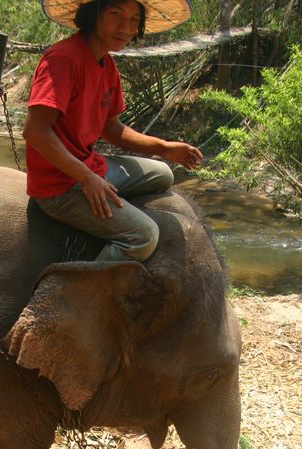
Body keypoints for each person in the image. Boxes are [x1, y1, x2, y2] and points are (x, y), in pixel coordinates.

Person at [22, 0, 203, 262]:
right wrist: (87, 178)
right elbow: (35, 131)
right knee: (144, 236)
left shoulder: (107, 66)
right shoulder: (63, 59)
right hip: (60, 185)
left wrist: (164, 148)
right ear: (93, 15)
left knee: (163, 174)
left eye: (133, 19)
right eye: (116, 15)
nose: (125, 27)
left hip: (90, 167)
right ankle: (80, 294)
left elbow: (112, 129)